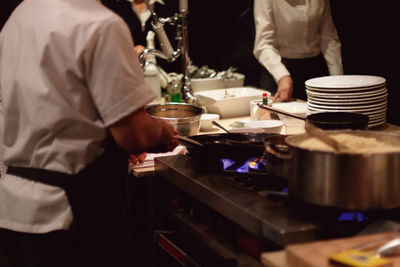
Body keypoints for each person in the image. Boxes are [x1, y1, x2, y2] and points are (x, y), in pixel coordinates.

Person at [0, 0, 178, 266]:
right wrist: (162, 131)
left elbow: (55, 104)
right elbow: (134, 134)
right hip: (71, 216)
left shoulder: (21, 15)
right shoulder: (101, 24)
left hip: (14, 210)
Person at [253, 0, 343, 102]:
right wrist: (282, 76)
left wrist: (338, 79)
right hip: (279, 70)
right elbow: (263, 44)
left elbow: (329, 38)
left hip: (315, 68)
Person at [102, 0, 181, 73]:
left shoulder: (169, 6)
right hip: (125, 72)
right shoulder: (113, 5)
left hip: (164, 75)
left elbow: (175, 49)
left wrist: (149, 53)